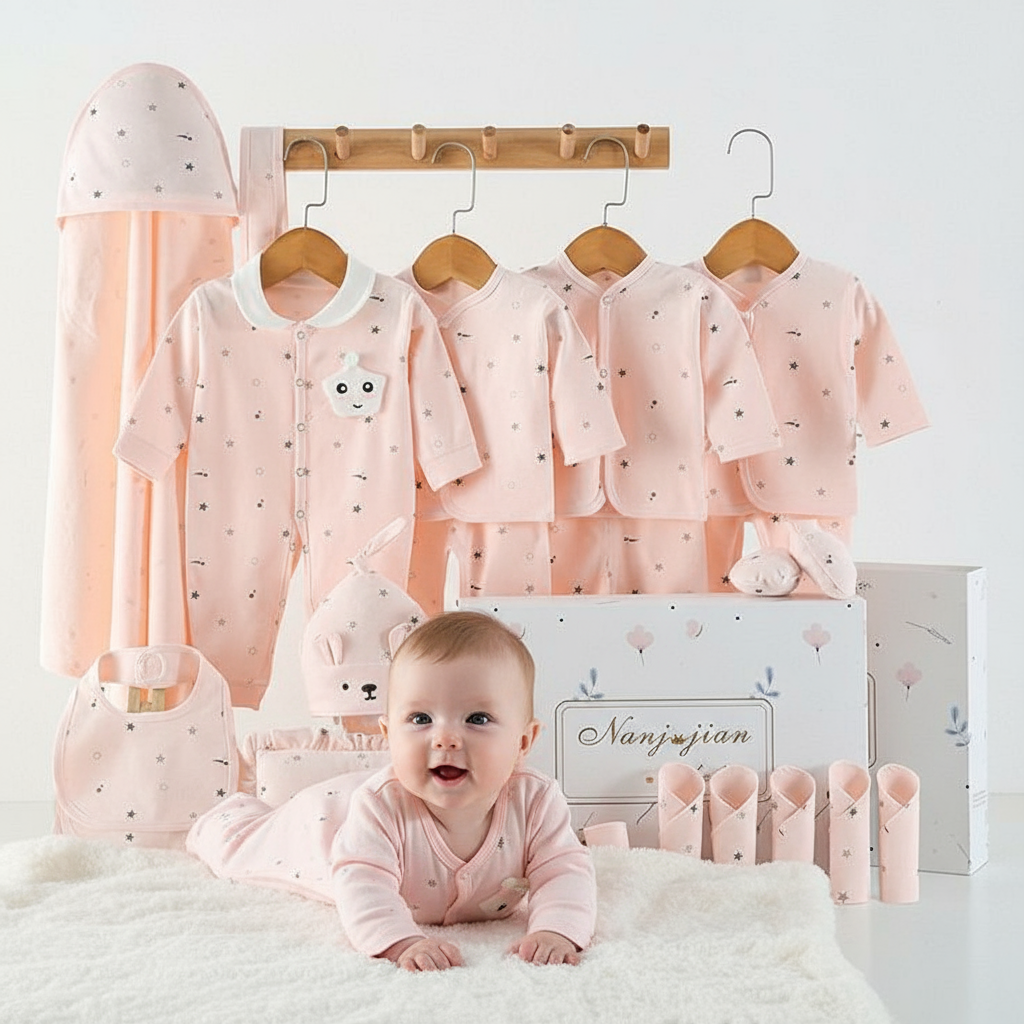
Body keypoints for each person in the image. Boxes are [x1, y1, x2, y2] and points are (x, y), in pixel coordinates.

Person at [186, 610, 596, 971]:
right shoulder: (379, 808)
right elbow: (362, 881)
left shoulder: (536, 802)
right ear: (388, 735)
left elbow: (565, 872)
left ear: (524, 742)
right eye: (420, 718)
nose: (445, 738)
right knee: (243, 846)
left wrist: (556, 930)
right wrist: (403, 941)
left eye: (477, 718)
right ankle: (223, 818)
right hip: (326, 824)